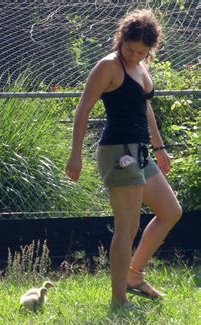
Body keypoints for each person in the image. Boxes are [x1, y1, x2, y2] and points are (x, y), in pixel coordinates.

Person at [65, 8, 182, 308]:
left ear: (150, 49)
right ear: (121, 38)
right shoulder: (108, 66)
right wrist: (75, 155)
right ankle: (119, 300)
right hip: (118, 152)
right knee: (127, 227)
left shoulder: (142, 66)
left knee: (170, 211)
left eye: (142, 52)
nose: (134, 55)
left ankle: (134, 275)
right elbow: (83, 110)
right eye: (130, 49)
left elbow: (145, 108)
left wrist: (159, 147)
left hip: (141, 152)